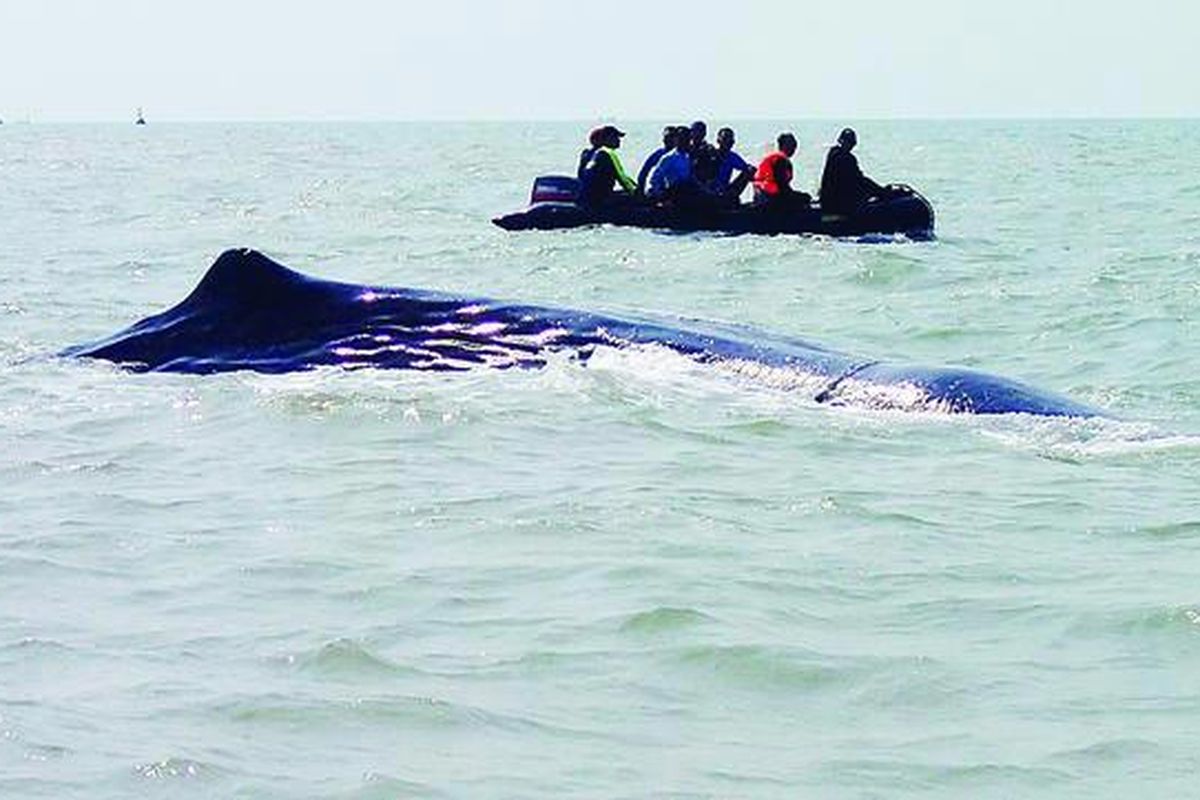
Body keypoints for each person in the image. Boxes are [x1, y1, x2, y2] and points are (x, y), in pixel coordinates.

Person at [818, 127, 886, 215]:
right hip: (839, 204)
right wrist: (882, 192)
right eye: (848, 142)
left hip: (829, 200)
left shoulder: (833, 154)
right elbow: (860, 180)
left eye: (851, 143)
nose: (850, 145)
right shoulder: (846, 159)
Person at [577, 125, 638, 208]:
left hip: (585, 198)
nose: (619, 140)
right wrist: (636, 193)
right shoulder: (608, 153)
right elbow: (622, 178)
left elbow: (580, 175)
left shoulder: (586, 154)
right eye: (615, 137)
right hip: (601, 200)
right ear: (607, 139)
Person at [753, 133, 811, 208]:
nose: (794, 148)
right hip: (769, 197)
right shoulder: (780, 159)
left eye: (795, 146)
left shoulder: (780, 158)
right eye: (792, 145)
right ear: (783, 146)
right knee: (805, 198)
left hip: (764, 195)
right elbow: (782, 186)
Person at [710, 127, 754, 202]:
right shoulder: (710, 154)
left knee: (750, 170)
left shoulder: (732, 157)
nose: (727, 142)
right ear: (718, 141)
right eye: (725, 139)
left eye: (730, 140)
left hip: (725, 191)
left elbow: (747, 168)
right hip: (709, 191)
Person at [637, 126, 677, 195]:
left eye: (671, 137)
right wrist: (641, 190)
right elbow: (643, 173)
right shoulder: (658, 154)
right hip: (661, 192)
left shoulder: (683, 155)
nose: (668, 140)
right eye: (666, 137)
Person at [688, 120, 720, 188]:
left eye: (700, 131)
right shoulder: (686, 148)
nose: (697, 134)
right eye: (694, 131)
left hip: (704, 185)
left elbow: (714, 170)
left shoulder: (709, 149)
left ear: (704, 133)